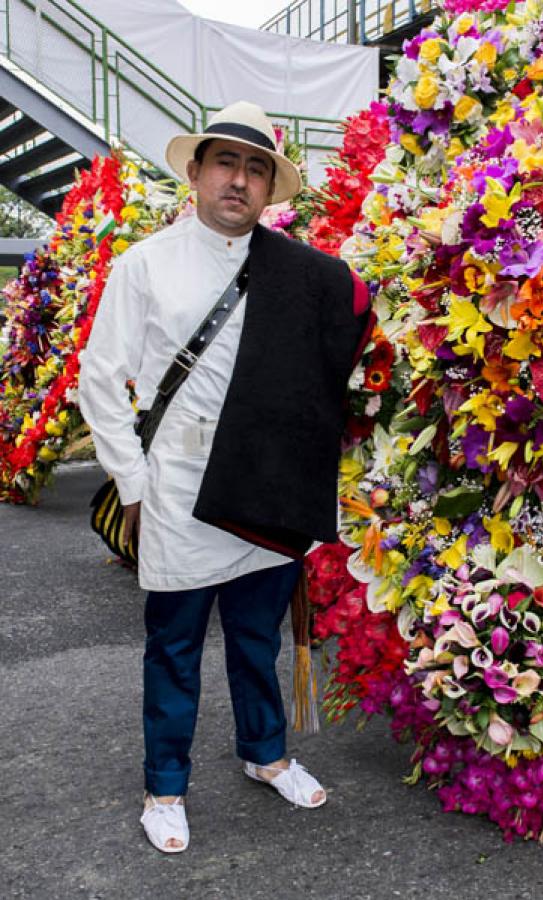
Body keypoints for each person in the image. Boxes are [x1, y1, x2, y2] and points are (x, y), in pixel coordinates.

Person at [79, 101, 372, 854]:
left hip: (268, 483)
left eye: (254, 168)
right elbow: (100, 382)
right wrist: (134, 485)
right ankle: (165, 785)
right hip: (177, 487)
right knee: (173, 646)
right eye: (225, 164)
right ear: (198, 173)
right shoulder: (143, 264)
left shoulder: (300, 275)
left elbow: (320, 382)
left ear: (268, 187)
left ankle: (265, 753)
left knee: (254, 635)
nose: (237, 180)